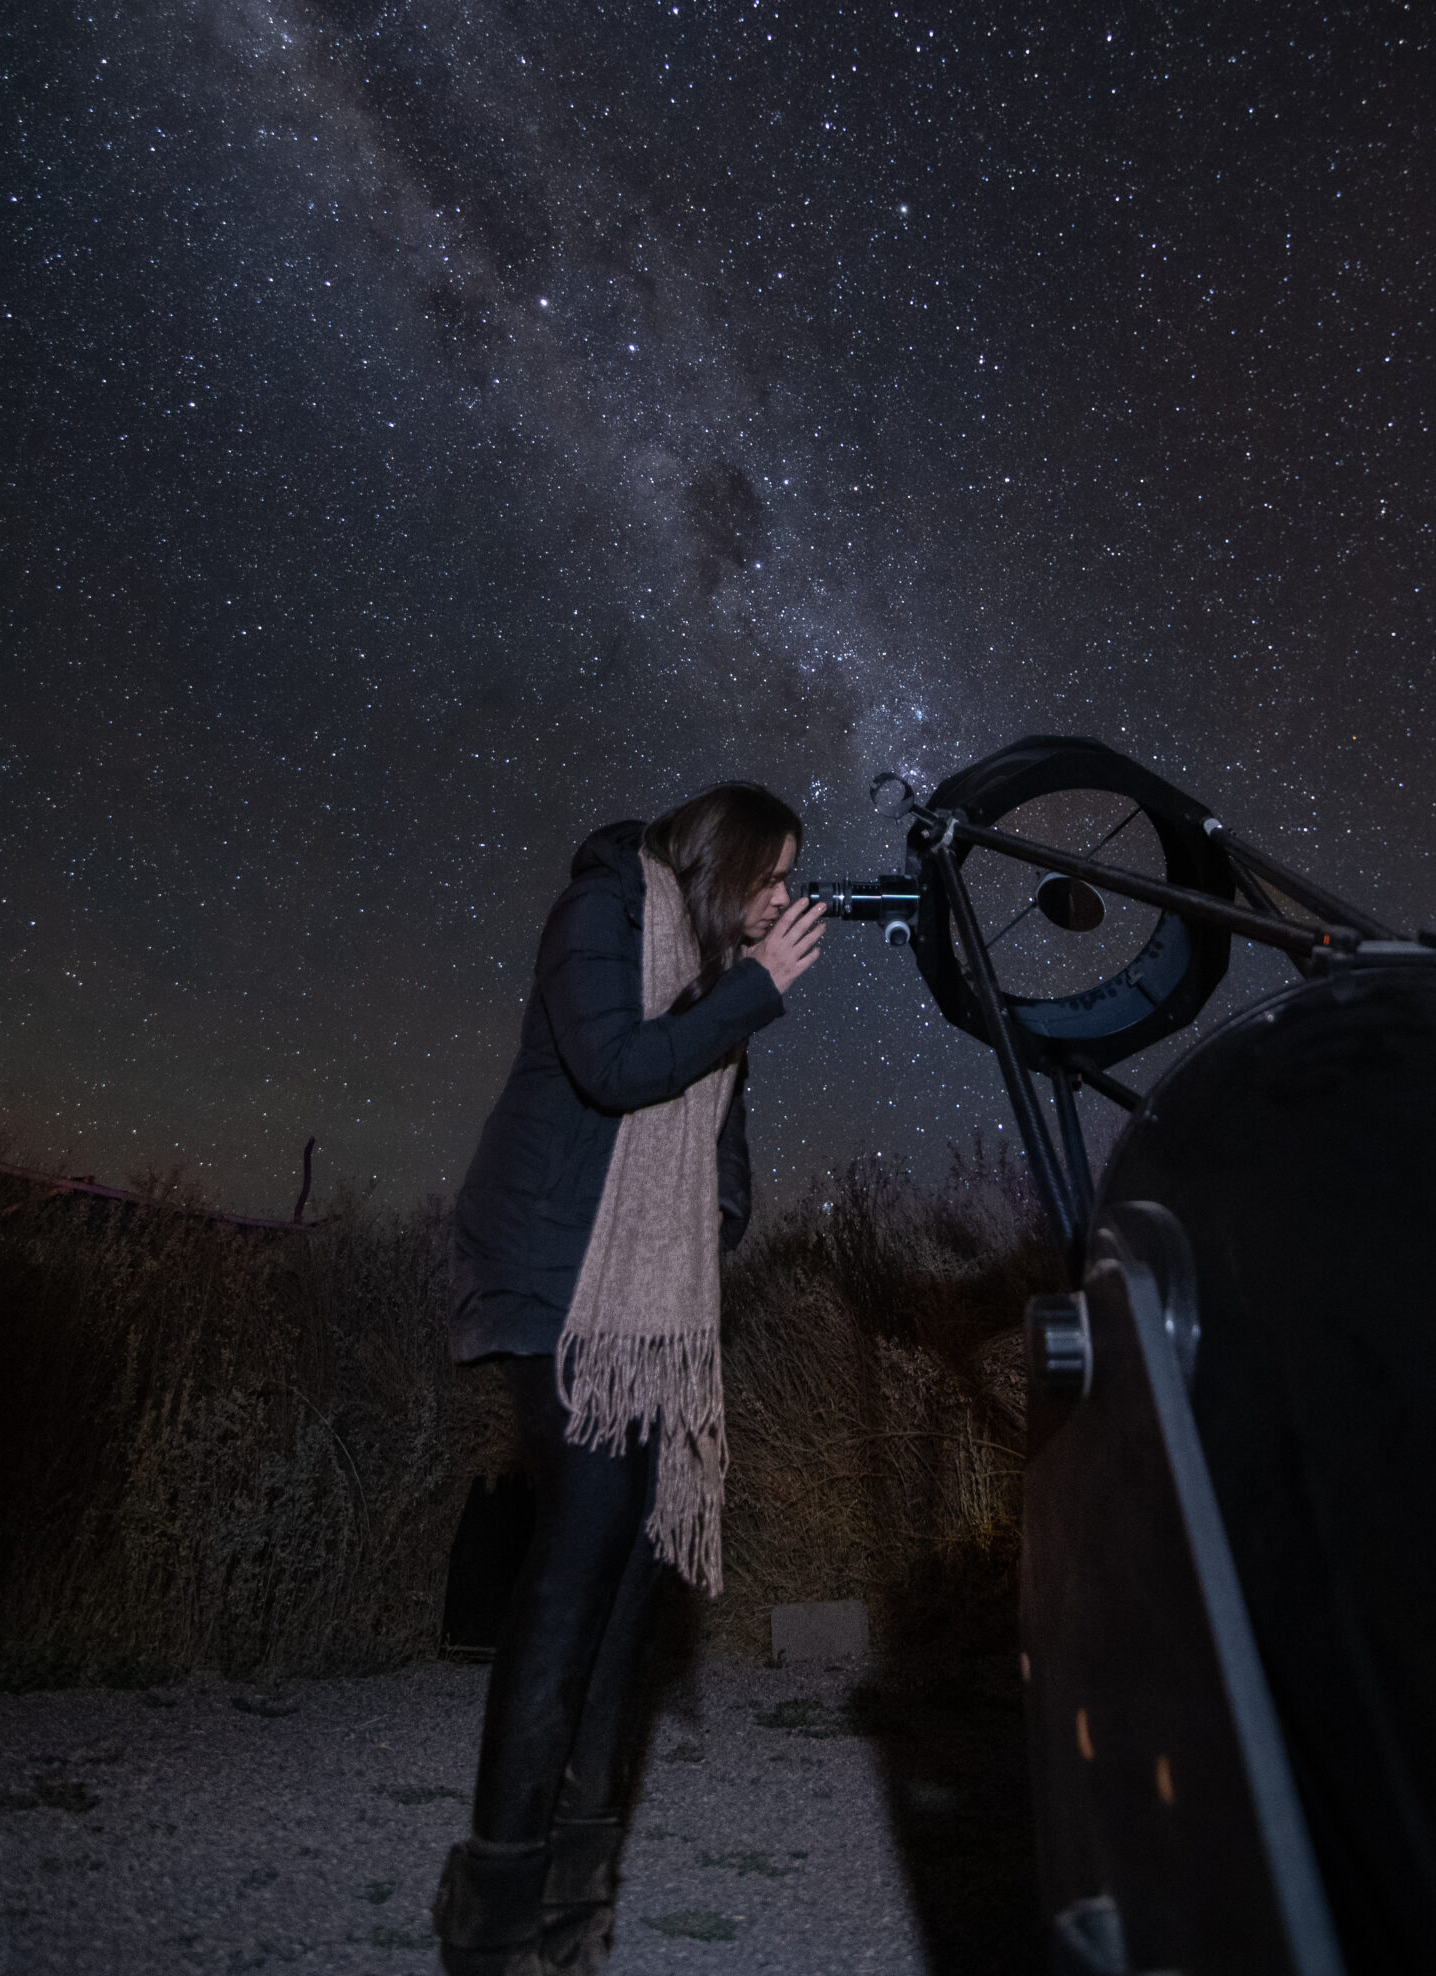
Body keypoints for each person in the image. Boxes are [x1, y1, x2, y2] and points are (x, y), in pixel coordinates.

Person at [436, 783, 826, 1976]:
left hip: (649, 1304)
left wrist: (712, 1218)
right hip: (552, 1270)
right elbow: (612, 1065)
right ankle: (494, 1906)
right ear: (724, 863)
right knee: (587, 1524)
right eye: (770, 879)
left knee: (633, 1565)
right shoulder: (601, 908)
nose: (780, 901)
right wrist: (758, 988)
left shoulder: (713, 975)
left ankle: (574, 1905)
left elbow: (719, 1141)